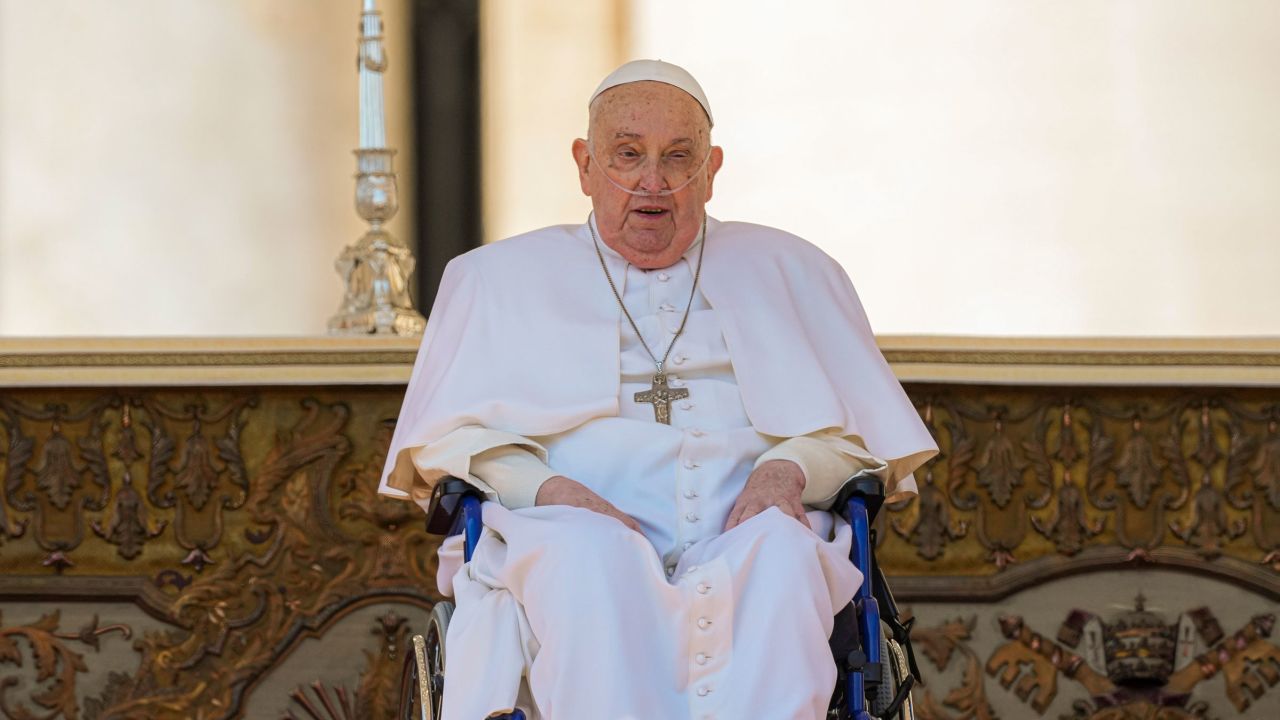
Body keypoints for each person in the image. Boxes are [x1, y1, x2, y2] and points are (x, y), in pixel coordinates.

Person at [379, 59, 937, 720]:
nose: (653, 183)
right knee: (584, 558)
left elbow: (860, 440)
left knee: (787, 555)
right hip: (571, 527)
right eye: (627, 156)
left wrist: (787, 472)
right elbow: (452, 444)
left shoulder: (795, 269)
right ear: (584, 165)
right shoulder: (495, 279)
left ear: (713, 168)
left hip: (749, 529)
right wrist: (555, 493)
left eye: (678, 158)